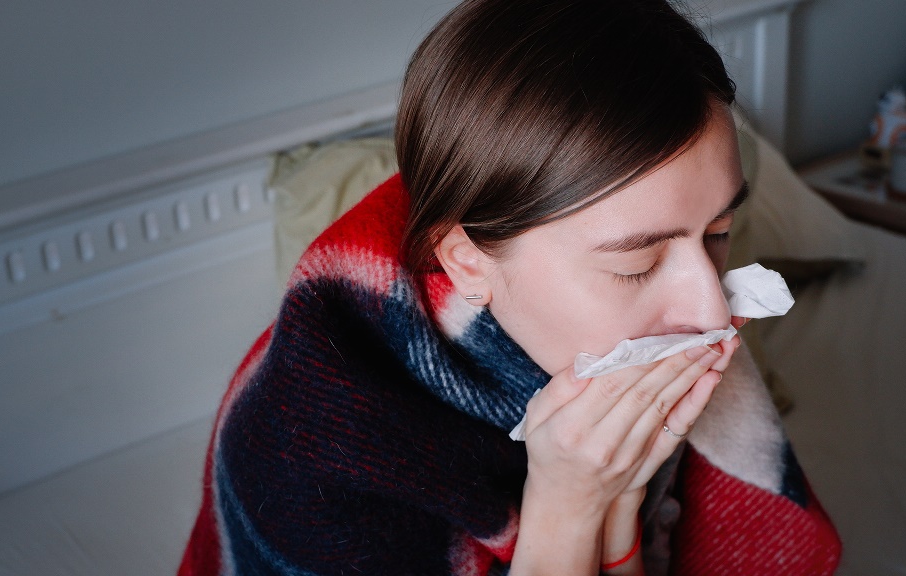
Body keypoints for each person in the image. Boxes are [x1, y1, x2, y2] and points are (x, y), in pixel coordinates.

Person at [179, 1, 842, 574]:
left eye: (720, 231)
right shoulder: (308, 450)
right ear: (468, 264)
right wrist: (564, 508)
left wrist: (618, 507)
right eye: (636, 265)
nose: (709, 307)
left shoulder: (647, 344)